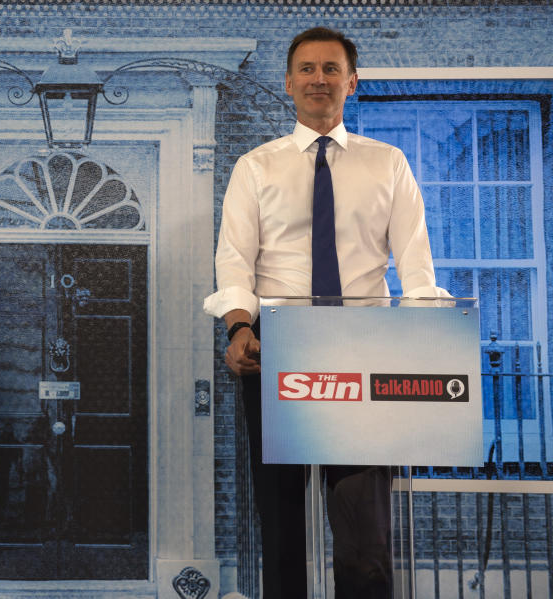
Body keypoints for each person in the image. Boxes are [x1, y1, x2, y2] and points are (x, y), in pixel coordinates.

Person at [203, 27, 443, 598]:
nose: (318, 79)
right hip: (276, 350)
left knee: (365, 539)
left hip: (365, 352)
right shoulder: (254, 167)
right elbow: (234, 259)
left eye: (331, 69)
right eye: (307, 69)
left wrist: (424, 344)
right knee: (282, 535)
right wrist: (238, 326)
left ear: (352, 82)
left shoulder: (389, 164)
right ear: (288, 82)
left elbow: (417, 267)